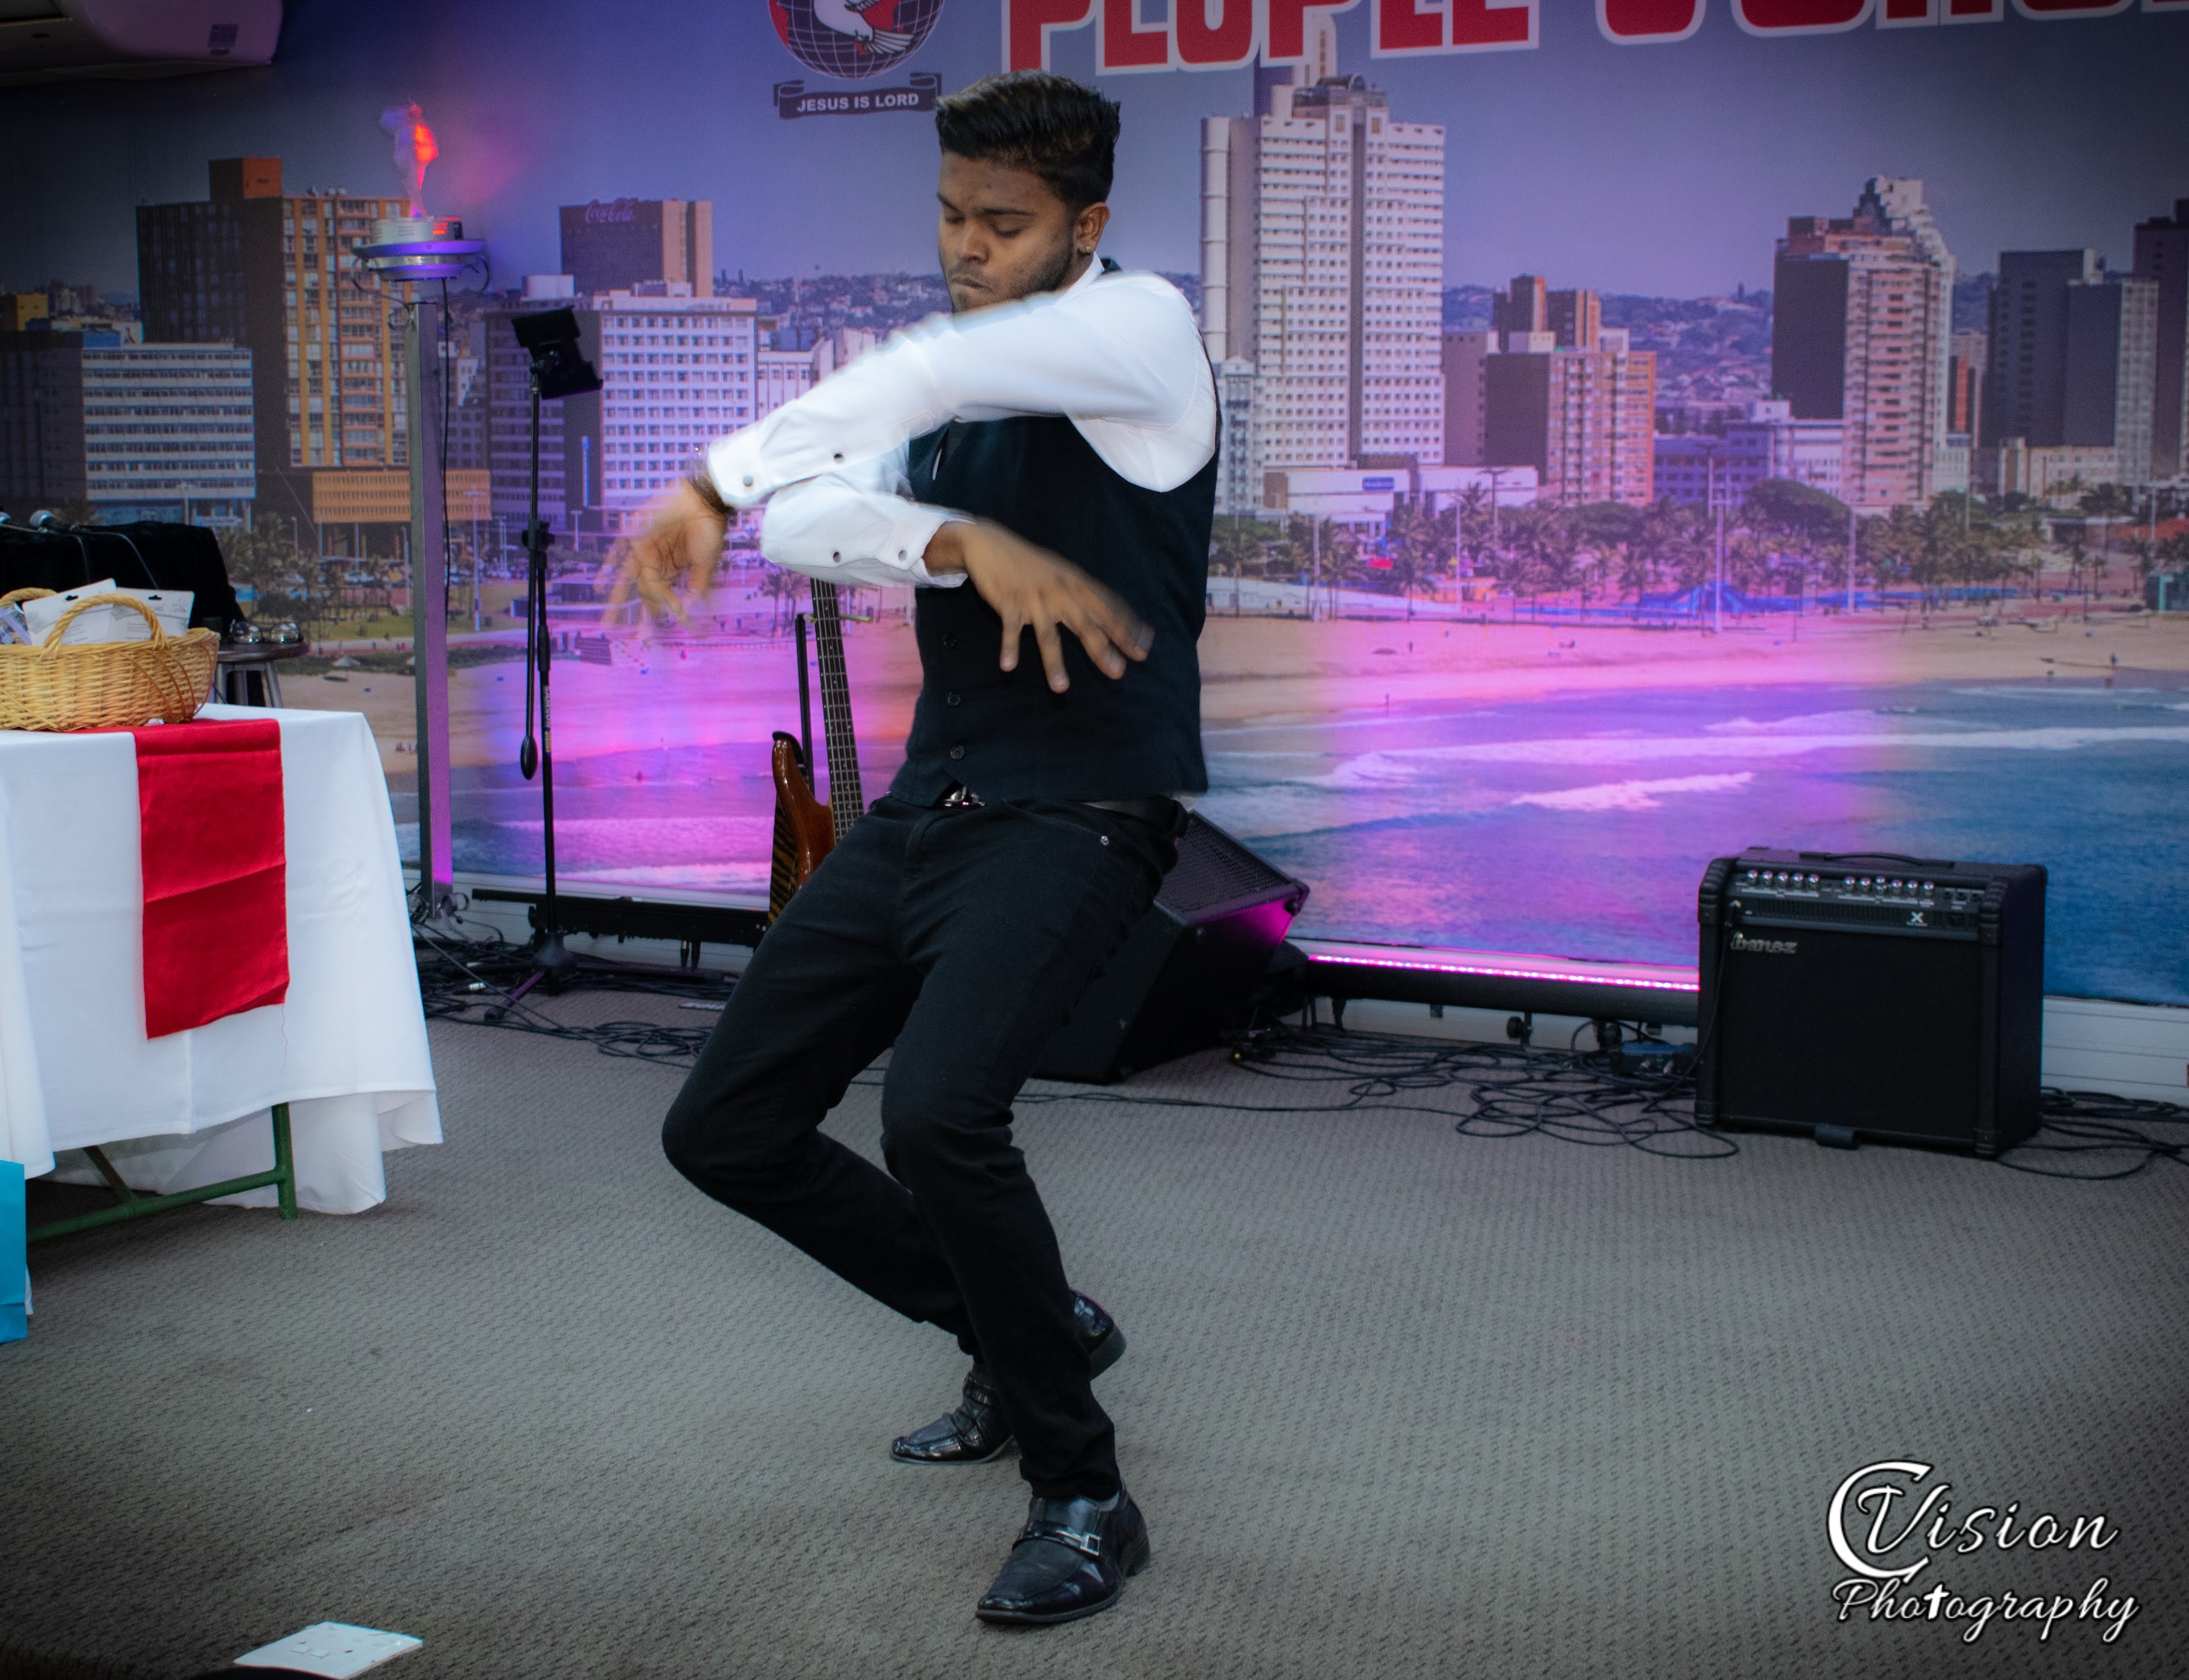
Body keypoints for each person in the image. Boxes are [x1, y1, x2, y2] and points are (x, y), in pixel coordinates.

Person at [625, 72, 1217, 1625]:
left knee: (941, 1118)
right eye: (951, 215)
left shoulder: (1143, 332)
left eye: (1003, 223)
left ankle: (1082, 1488)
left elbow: (921, 377)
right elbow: (804, 521)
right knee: (725, 1127)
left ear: (1087, 222)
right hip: (932, 805)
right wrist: (951, 540)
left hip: (1084, 808)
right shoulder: (944, 390)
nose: (967, 246)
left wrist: (709, 478)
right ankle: (1028, 1330)